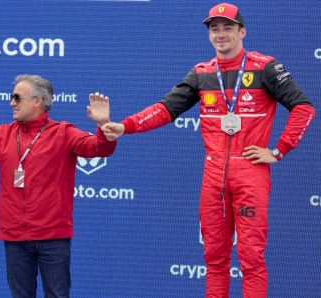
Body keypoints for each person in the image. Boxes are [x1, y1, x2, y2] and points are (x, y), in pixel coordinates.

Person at [101, 3, 315, 298]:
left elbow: (303, 108)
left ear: (242, 32)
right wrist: (126, 126)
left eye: (227, 27)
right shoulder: (201, 73)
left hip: (250, 173)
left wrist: (278, 150)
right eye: (214, 28)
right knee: (214, 260)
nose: (221, 34)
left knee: (251, 260)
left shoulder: (265, 67)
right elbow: (166, 109)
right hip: (213, 175)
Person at [0, 75, 116, 298]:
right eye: (11, 97)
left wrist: (103, 125)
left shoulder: (63, 132)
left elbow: (99, 149)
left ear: (38, 101)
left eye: (17, 97)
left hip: (52, 236)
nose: (11, 102)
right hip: (14, 236)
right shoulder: (3, 134)